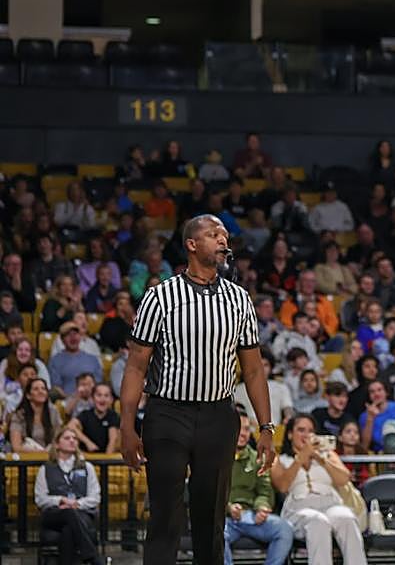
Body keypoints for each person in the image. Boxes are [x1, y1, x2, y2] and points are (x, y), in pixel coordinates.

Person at [120, 214, 275, 565]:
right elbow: (136, 366)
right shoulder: (160, 297)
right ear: (192, 244)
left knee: (211, 518)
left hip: (219, 416)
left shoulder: (239, 299)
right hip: (168, 413)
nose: (223, 240)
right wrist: (127, 427)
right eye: (213, 234)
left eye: (224, 235)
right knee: (165, 514)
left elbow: (252, 368)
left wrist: (266, 426)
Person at [271, 413, 366, 565]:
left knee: (346, 518)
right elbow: (282, 485)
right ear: (290, 434)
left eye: (310, 431)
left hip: (331, 503)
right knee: (318, 521)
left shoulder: (327, 455)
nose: (306, 435)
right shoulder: (280, 459)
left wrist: (320, 459)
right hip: (299, 508)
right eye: (301, 430)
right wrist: (301, 457)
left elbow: (343, 479)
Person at [224, 413, 294, 565]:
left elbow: (265, 491)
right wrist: (228, 507)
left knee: (284, 529)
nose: (243, 433)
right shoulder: (216, 459)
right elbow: (209, 493)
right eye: (239, 428)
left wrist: (261, 507)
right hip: (224, 519)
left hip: (251, 515)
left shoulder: (258, 458)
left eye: (247, 429)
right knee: (215, 535)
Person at [34, 425, 100, 565]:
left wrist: (77, 504)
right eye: (67, 438)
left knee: (69, 529)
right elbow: (40, 499)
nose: (72, 441)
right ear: (57, 444)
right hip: (55, 514)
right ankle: (93, 557)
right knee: (69, 515)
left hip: (81, 513)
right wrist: (60, 500)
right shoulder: (45, 469)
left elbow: (95, 497)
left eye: (75, 438)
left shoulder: (87, 467)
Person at [69, 381, 120, 454]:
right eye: (99, 395)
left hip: (106, 457)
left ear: (111, 400)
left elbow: (113, 440)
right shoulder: (85, 414)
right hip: (87, 456)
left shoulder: (113, 416)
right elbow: (70, 426)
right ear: (92, 398)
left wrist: (106, 460)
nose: (102, 399)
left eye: (106, 396)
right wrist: (88, 442)